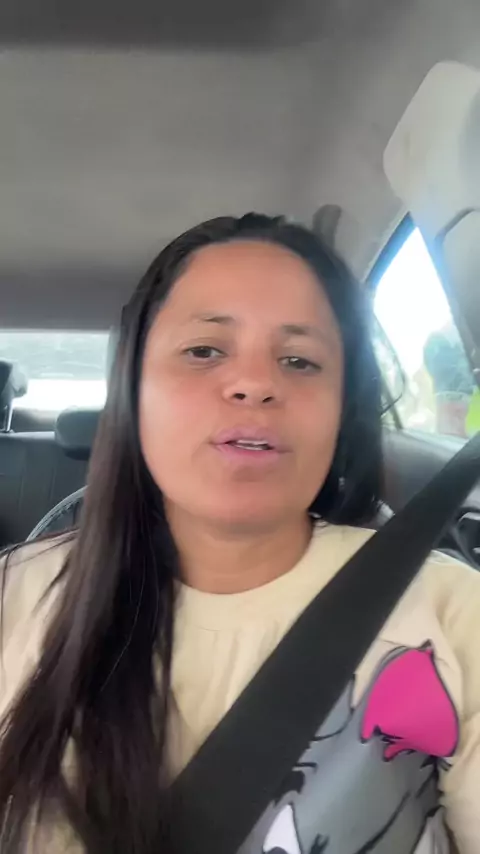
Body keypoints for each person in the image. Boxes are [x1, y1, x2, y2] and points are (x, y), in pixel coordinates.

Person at [0, 214, 479, 854]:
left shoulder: (452, 610)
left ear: (343, 409)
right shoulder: (14, 596)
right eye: (204, 350)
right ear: (132, 388)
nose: (255, 383)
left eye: (300, 360)